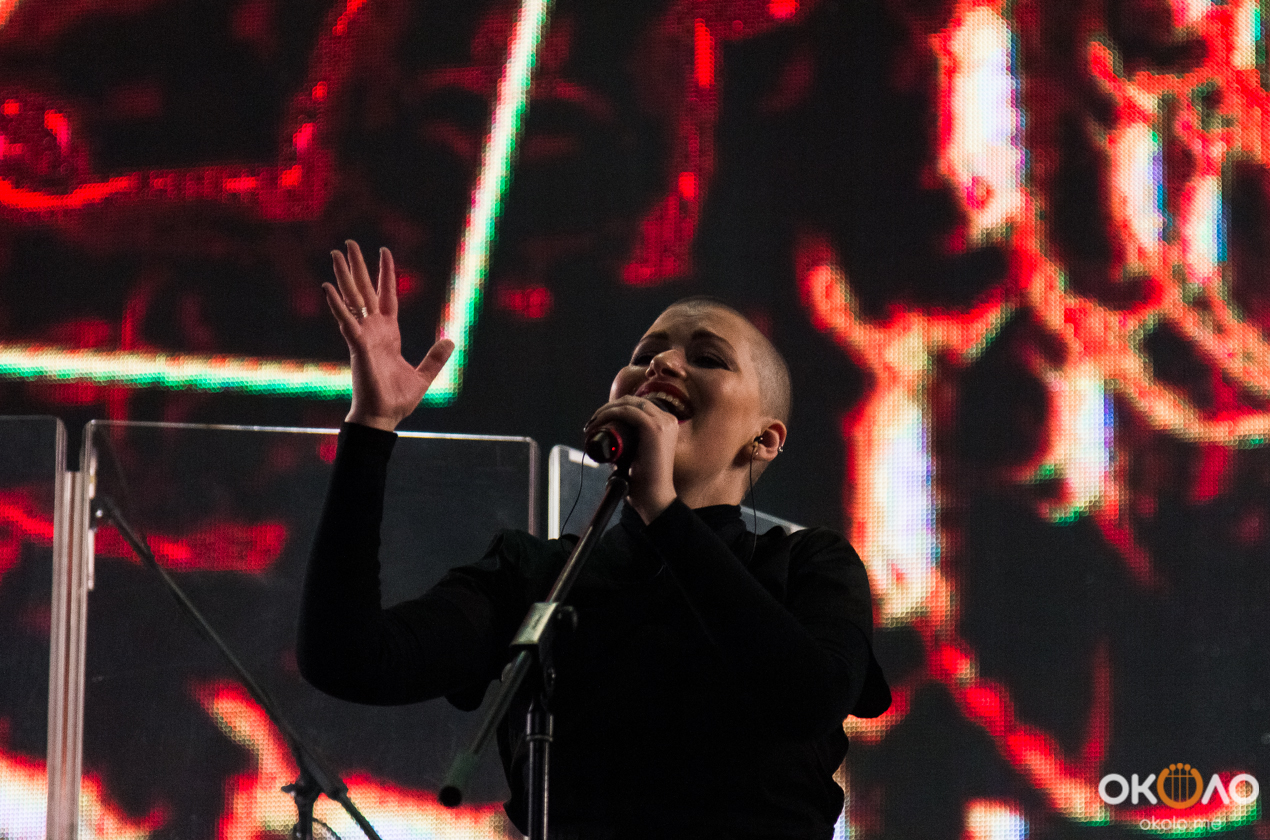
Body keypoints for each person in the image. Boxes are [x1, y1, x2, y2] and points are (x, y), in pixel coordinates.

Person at [297, 240, 892, 840]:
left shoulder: (809, 566)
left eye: (708, 358)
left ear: (764, 440)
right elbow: (349, 659)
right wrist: (370, 427)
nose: (663, 364)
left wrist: (662, 510)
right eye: (645, 355)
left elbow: (808, 697)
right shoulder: (538, 576)